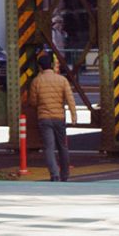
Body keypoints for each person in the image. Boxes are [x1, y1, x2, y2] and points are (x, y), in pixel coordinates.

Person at [29, 50, 78, 182]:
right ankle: (65, 174)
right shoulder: (62, 80)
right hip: (59, 118)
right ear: (51, 65)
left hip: (44, 118)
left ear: (40, 67)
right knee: (63, 147)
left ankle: (54, 174)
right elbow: (70, 98)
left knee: (49, 148)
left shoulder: (36, 81)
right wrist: (73, 115)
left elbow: (33, 101)